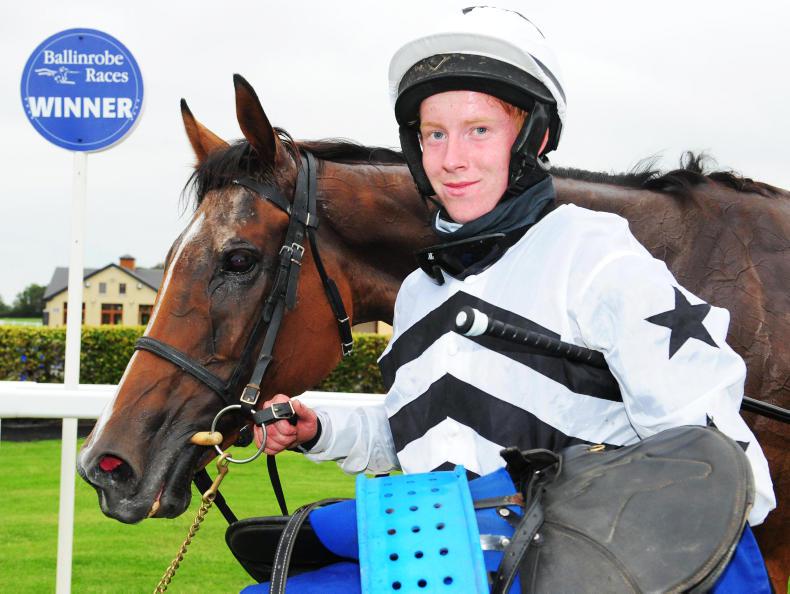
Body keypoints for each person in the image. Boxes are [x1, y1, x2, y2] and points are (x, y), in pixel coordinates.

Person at [256, 5, 774, 530]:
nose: (451, 159)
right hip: (443, 554)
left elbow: (723, 474)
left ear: (536, 138)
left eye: (478, 129)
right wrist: (320, 429)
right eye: (435, 134)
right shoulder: (419, 292)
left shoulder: (594, 255)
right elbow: (424, 431)